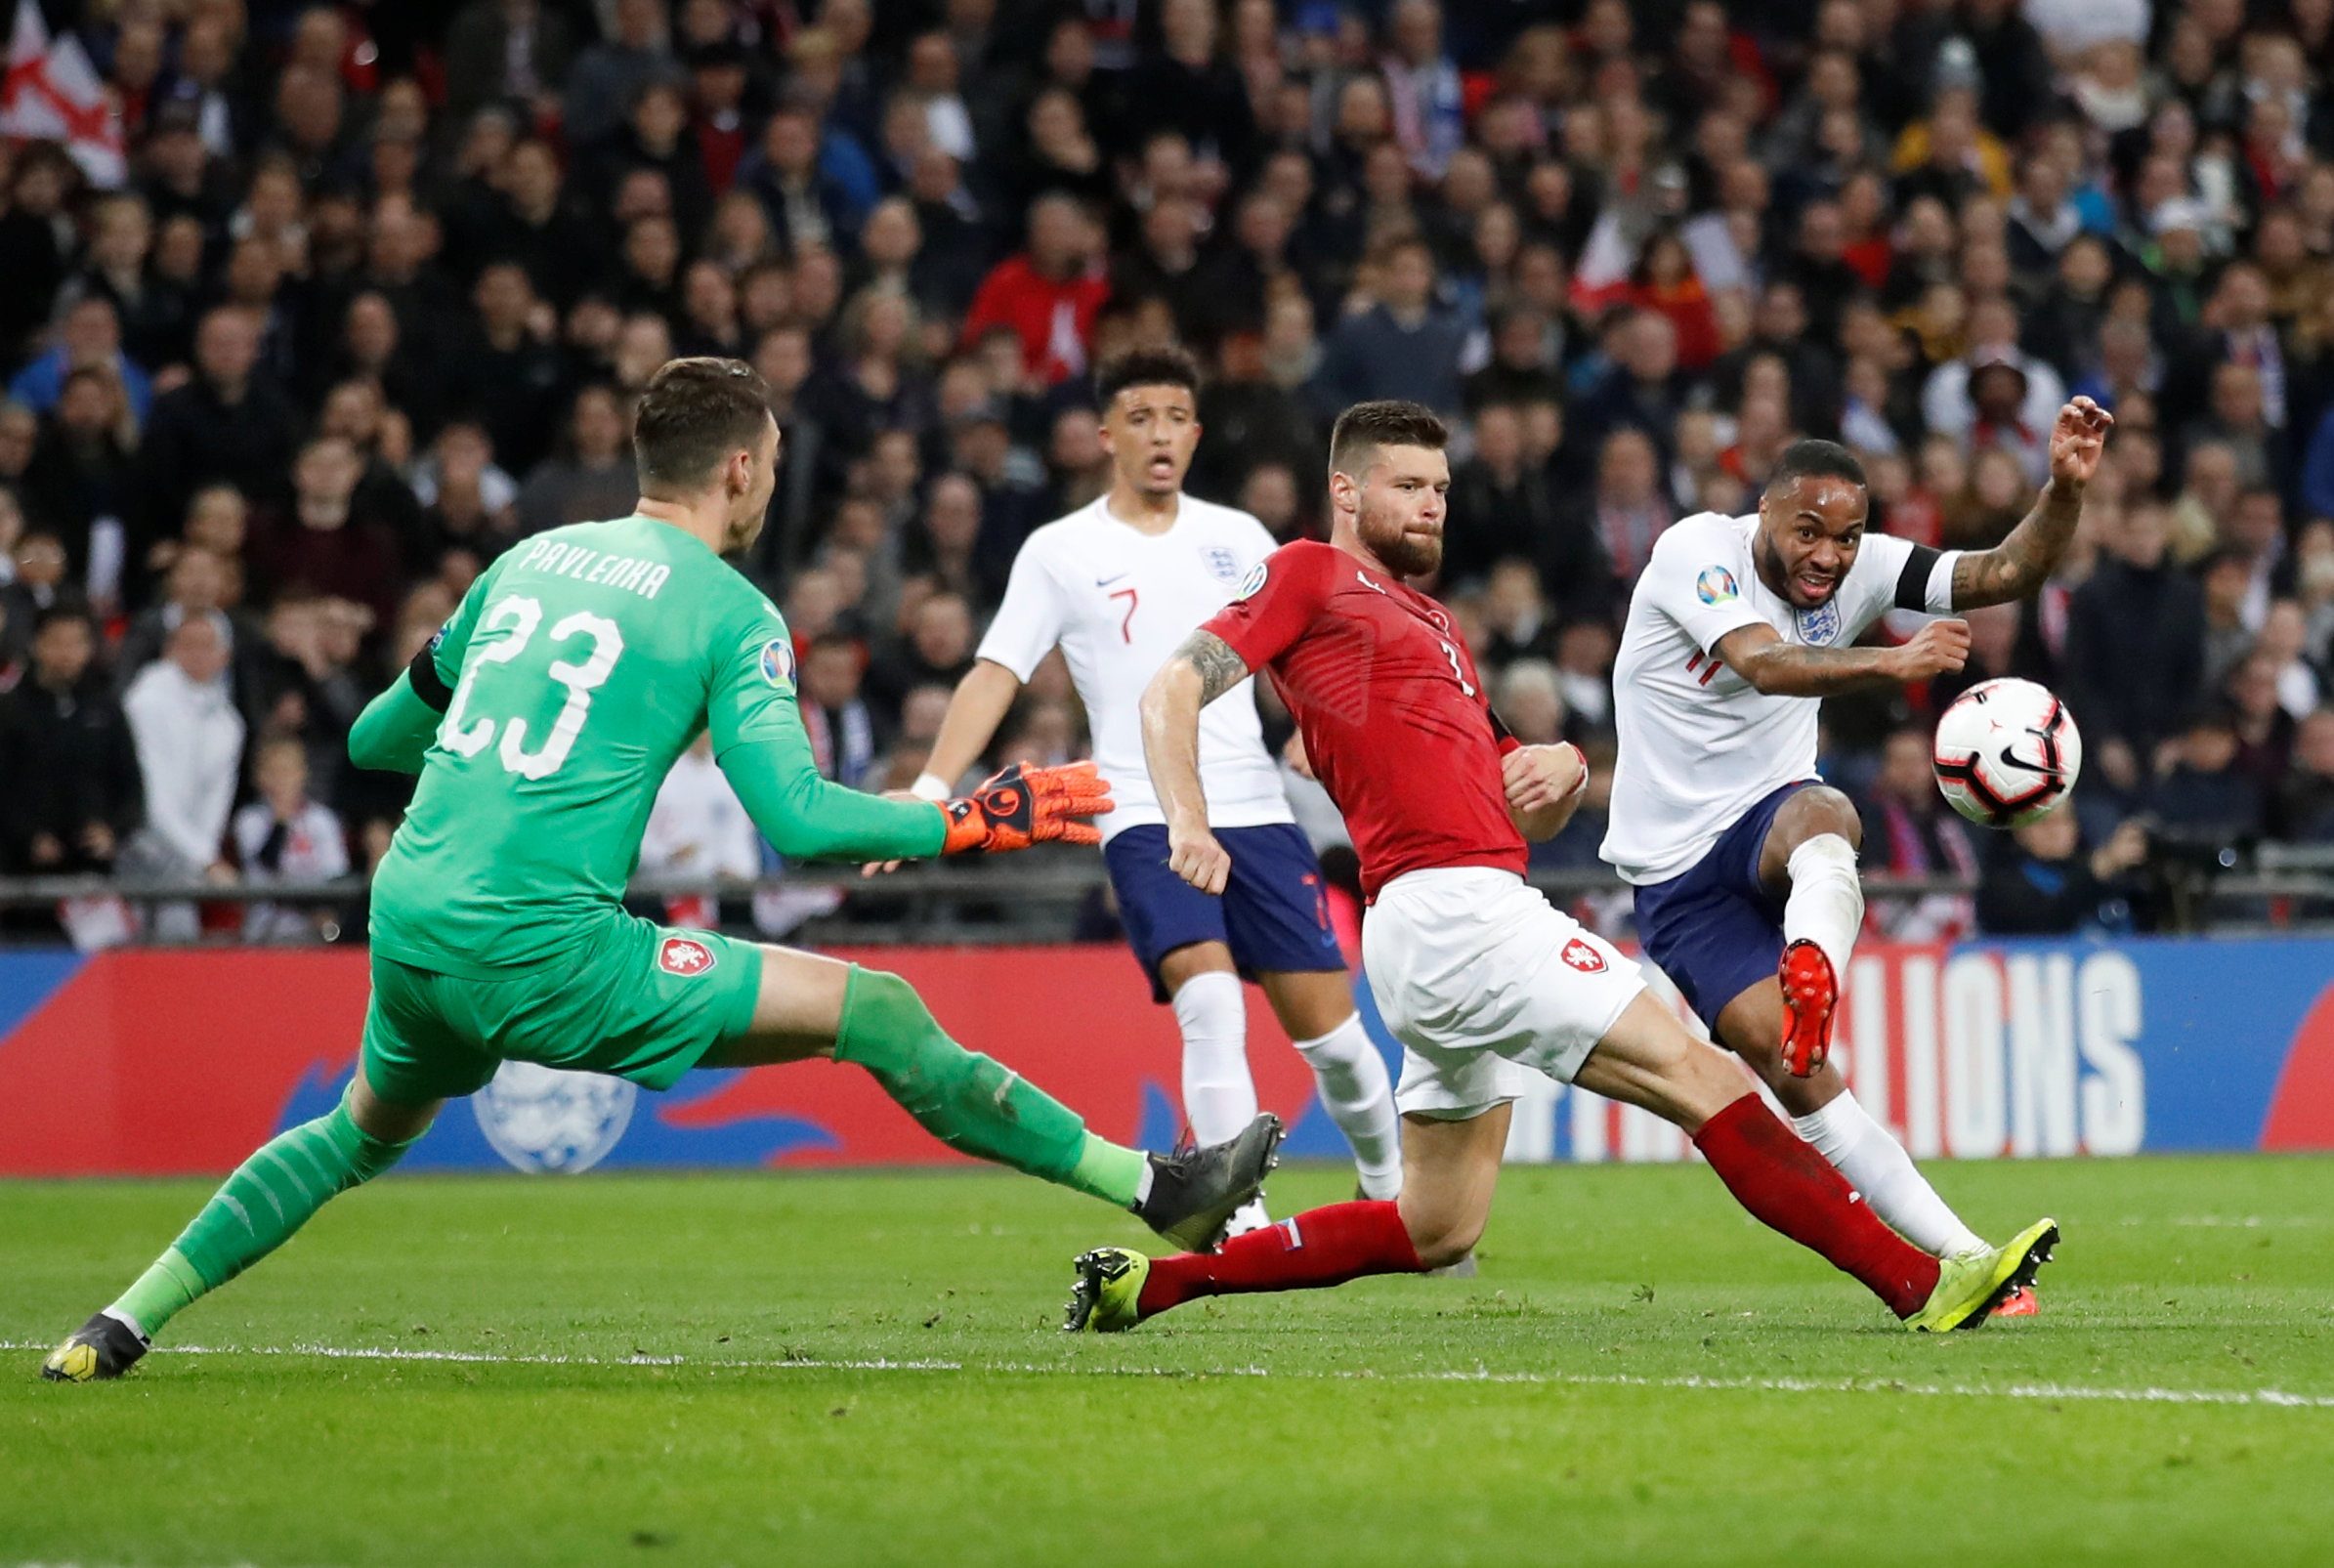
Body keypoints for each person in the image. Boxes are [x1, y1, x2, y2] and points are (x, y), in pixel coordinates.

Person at [42, 358, 1280, 1383]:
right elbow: (796, 820)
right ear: (740, 467)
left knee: (359, 1131)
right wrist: (968, 822)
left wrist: (458, 697)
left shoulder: (525, 561)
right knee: (881, 1012)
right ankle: (1156, 1188)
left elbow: (373, 742)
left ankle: (121, 1321)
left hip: (413, 919)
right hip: (545, 946)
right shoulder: (730, 611)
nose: (771, 484)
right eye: (775, 462)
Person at [1064, 401, 2055, 1335]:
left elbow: (1494, 773)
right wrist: (1186, 821)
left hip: (1433, 927)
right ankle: (1925, 1283)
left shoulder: (1437, 625)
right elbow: (1174, 686)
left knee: (1434, 1227)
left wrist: (1556, 766)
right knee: (1703, 1078)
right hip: (1457, 912)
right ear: (1347, 491)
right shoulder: (1309, 573)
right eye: (1406, 486)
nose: (1430, 505)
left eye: (1441, 488)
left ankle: (1150, 1287)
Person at [1594, 403, 2111, 1315]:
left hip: (1769, 816)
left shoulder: (1866, 564)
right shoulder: (1694, 552)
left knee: (1827, 809)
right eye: (1807, 531)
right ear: (1763, 512)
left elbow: (2005, 570)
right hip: (1674, 872)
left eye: (1846, 535)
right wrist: (1891, 661)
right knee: (1802, 1083)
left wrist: (2061, 489)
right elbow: (1762, 663)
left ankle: (1816, 975)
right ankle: (1958, 1262)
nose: (1829, 556)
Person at [896, 348, 1404, 1232]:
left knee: (1336, 1041)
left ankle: (1392, 1190)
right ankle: (1239, 1221)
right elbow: (994, 670)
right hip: (1141, 810)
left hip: (1254, 809)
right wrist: (932, 786)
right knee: (1207, 999)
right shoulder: (1060, 550)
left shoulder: (1240, 537)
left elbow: (1295, 652)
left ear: (1197, 434)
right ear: (1105, 437)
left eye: (1175, 416)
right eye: (1139, 417)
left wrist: (1318, 734)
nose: (1159, 433)